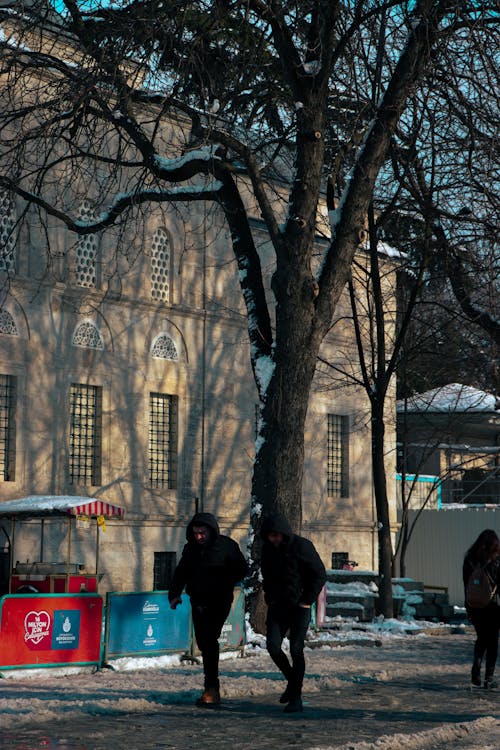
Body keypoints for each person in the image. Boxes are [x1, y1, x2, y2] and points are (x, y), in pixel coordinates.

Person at [169, 512, 248, 707]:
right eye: (195, 533)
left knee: (210, 639)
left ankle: (211, 688)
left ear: (211, 531)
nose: (199, 537)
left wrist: (224, 579)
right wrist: (174, 594)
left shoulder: (227, 546)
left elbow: (242, 569)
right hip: (198, 600)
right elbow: (181, 572)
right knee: (204, 642)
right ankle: (211, 686)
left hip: (219, 600)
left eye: (202, 533)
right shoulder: (190, 549)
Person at [260, 512, 327, 713]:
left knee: (296, 649)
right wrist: (269, 597)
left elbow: (319, 575)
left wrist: (306, 600)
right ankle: (293, 683)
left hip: (299, 607)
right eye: (270, 536)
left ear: (283, 534)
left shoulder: (302, 547)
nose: (274, 540)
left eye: (276, 536)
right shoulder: (268, 550)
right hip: (277, 606)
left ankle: (295, 697)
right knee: (272, 646)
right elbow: (267, 575)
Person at [463, 529, 500, 690]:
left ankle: (476, 667)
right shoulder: (496, 560)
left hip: (474, 606)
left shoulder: (469, 559)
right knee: (492, 642)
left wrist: (468, 608)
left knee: (481, 638)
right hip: (493, 606)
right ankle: (489, 679)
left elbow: (466, 586)